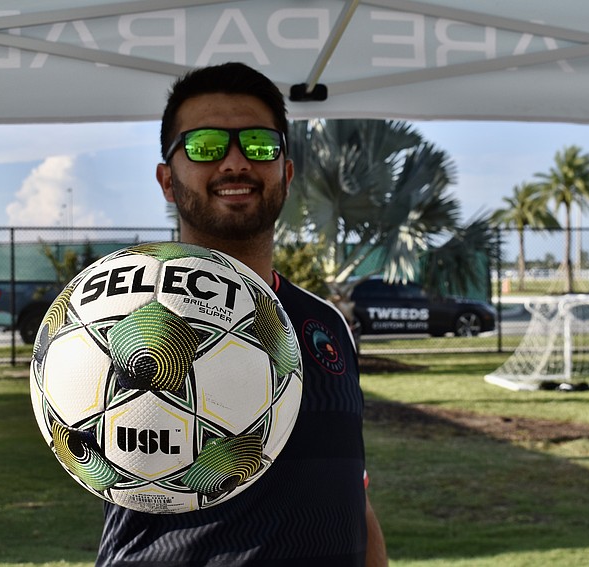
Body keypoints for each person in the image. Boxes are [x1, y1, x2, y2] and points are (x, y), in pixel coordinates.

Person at [96, 61, 388, 567]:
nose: (236, 163)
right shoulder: (115, 316)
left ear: (286, 173)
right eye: (205, 146)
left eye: (259, 145)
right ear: (168, 181)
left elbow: (352, 496)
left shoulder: (327, 326)